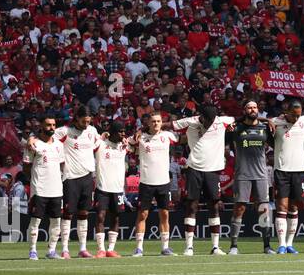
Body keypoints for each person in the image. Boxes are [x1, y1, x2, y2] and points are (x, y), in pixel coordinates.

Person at [172, 104, 235, 256]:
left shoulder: (222, 121)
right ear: (202, 117)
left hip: (213, 171)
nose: (211, 123)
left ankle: (215, 247)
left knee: (214, 206)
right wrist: (143, 130)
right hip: (194, 169)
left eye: (213, 120)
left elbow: (237, 119)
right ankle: (189, 247)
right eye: (208, 120)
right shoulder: (190, 121)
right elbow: (169, 125)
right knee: (191, 206)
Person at [229, 99, 275, 255]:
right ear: (244, 110)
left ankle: (267, 246)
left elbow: (277, 145)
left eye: (255, 107)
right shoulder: (236, 128)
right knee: (239, 209)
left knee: (264, 209)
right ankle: (234, 246)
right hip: (242, 174)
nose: (253, 109)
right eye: (249, 107)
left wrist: (268, 120)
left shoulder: (265, 128)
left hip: (261, 174)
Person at [270, 100, 304, 254]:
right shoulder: (276, 122)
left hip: (299, 171)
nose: (296, 118)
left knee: (294, 207)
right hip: (281, 170)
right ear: (286, 112)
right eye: (294, 115)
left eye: (298, 115)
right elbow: (256, 122)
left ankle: (289, 244)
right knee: (282, 207)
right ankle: (281, 244)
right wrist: (266, 120)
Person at [56, 106, 101, 258]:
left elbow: (99, 143)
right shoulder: (64, 132)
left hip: (87, 177)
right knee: (68, 213)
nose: (86, 125)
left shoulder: (92, 131)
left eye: (88, 121)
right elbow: (46, 138)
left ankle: (82, 248)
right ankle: (65, 249)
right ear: (76, 118)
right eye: (83, 122)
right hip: (70, 178)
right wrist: (31, 139)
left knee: (84, 213)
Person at [132, 111, 179, 257]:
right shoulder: (140, 137)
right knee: (143, 214)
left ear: (162, 122)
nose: (156, 124)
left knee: (164, 214)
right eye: (153, 121)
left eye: (158, 121)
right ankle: (139, 248)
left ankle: (165, 247)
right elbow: (127, 142)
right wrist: (138, 131)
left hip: (163, 182)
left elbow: (182, 137)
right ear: (148, 123)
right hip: (146, 182)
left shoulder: (168, 136)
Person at [24, 116, 64, 260]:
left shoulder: (59, 144)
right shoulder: (34, 144)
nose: (51, 127)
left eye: (53, 125)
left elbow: (61, 165)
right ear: (41, 125)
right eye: (48, 125)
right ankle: (32, 250)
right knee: (36, 220)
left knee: (56, 221)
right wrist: (35, 180)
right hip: (39, 188)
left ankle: (51, 251)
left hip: (56, 189)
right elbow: (26, 167)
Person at [91, 119, 130, 258]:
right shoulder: (101, 144)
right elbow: (89, 145)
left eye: (124, 131)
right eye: (120, 132)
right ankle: (101, 249)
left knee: (116, 219)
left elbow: (137, 140)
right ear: (112, 132)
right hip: (102, 188)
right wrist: (101, 136)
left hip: (118, 189)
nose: (123, 134)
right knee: (100, 216)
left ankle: (111, 249)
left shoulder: (124, 146)